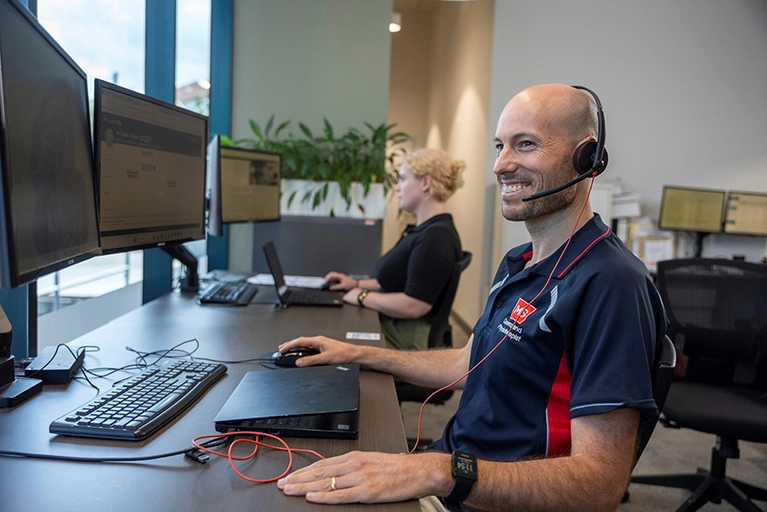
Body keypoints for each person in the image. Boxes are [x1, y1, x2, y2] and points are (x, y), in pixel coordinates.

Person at [275, 84, 668, 512]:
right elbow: (469, 361)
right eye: (500, 146)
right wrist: (357, 353)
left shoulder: (611, 284)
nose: (502, 164)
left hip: (479, 496)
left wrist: (439, 471)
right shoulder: (520, 261)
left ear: (586, 157)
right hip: (451, 475)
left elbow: (600, 485)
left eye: (526, 144)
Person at [323, 148, 465, 351]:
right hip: (398, 327)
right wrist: (354, 283)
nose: (397, 188)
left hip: (407, 340)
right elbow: (397, 280)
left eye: (403, 179)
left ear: (426, 183)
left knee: (334, 339)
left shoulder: (436, 236)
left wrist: (362, 296)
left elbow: (415, 305)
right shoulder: (423, 230)